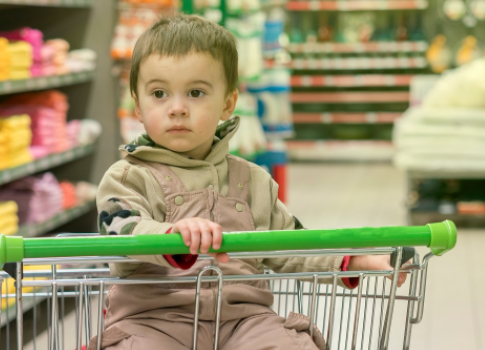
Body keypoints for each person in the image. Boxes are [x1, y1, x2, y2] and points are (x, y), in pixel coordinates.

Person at [90, 14, 405, 349]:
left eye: (196, 92)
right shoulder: (127, 178)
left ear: (227, 103)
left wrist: (354, 261)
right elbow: (121, 232)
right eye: (159, 93)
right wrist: (170, 235)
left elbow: (291, 243)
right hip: (152, 321)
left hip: (245, 322)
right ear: (137, 106)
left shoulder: (252, 181)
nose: (177, 108)